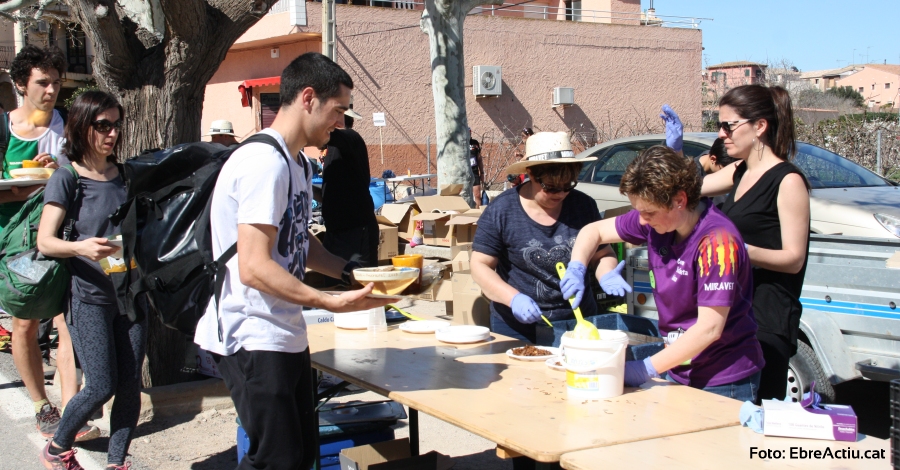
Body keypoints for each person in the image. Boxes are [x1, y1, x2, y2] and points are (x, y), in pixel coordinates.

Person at [193, 52, 392, 470]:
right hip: (251, 333)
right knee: (275, 460)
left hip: (283, 330)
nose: (339, 123)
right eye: (337, 110)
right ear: (308, 98)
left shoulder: (296, 162)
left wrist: (351, 273)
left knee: (299, 457)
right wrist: (327, 302)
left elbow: (299, 242)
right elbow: (254, 266)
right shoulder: (264, 162)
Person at [564, 145, 764, 401]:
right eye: (639, 212)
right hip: (678, 367)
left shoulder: (717, 242)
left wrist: (646, 368)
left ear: (680, 200)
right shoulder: (656, 221)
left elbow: (709, 328)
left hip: (723, 378)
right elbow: (593, 231)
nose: (642, 220)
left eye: (649, 213)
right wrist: (578, 266)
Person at [36, 91, 141, 469]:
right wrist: (82, 248)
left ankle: (117, 463)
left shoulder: (128, 175)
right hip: (88, 297)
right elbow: (45, 241)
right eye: (102, 126)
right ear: (82, 128)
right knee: (100, 385)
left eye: (116, 124)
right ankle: (57, 447)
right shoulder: (68, 178)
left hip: (130, 295)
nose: (111, 133)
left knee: (130, 388)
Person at [1, 45, 96, 442]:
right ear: (21, 84)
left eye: (56, 82)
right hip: (16, 242)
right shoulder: (3, 127)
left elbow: (89, 174)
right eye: (43, 82)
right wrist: (23, 191)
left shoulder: (67, 126)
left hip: (62, 236)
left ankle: (70, 413)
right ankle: (42, 404)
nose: (51, 90)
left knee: (67, 322)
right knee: (25, 321)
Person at [701, 84, 810, 401]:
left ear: (760, 126)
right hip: (736, 313)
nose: (722, 134)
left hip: (767, 319)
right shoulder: (739, 171)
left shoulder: (787, 180)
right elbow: (689, 188)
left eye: (728, 125)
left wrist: (740, 252)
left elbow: (794, 258)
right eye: (719, 125)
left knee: (757, 423)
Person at [471, 131, 620, 345]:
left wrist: (607, 274)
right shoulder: (502, 210)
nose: (560, 194)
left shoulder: (583, 206)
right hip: (516, 326)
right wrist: (513, 299)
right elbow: (479, 266)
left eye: (568, 185)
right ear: (531, 174)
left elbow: (603, 253)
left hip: (577, 322)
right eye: (550, 187)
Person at [322, 107, 378, 268]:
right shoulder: (333, 150)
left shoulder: (351, 138)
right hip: (336, 231)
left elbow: (316, 133)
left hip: (356, 231)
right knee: (334, 287)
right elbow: (334, 190)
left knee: (358, 286)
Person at [469, 131, 485, 208]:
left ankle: (478, 214)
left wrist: (482, 173)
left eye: (469, 132)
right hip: (464, 173)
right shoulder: (460, 143)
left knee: (477, 194)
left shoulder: (475, 143)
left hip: (474, 171)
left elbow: (479, 159)